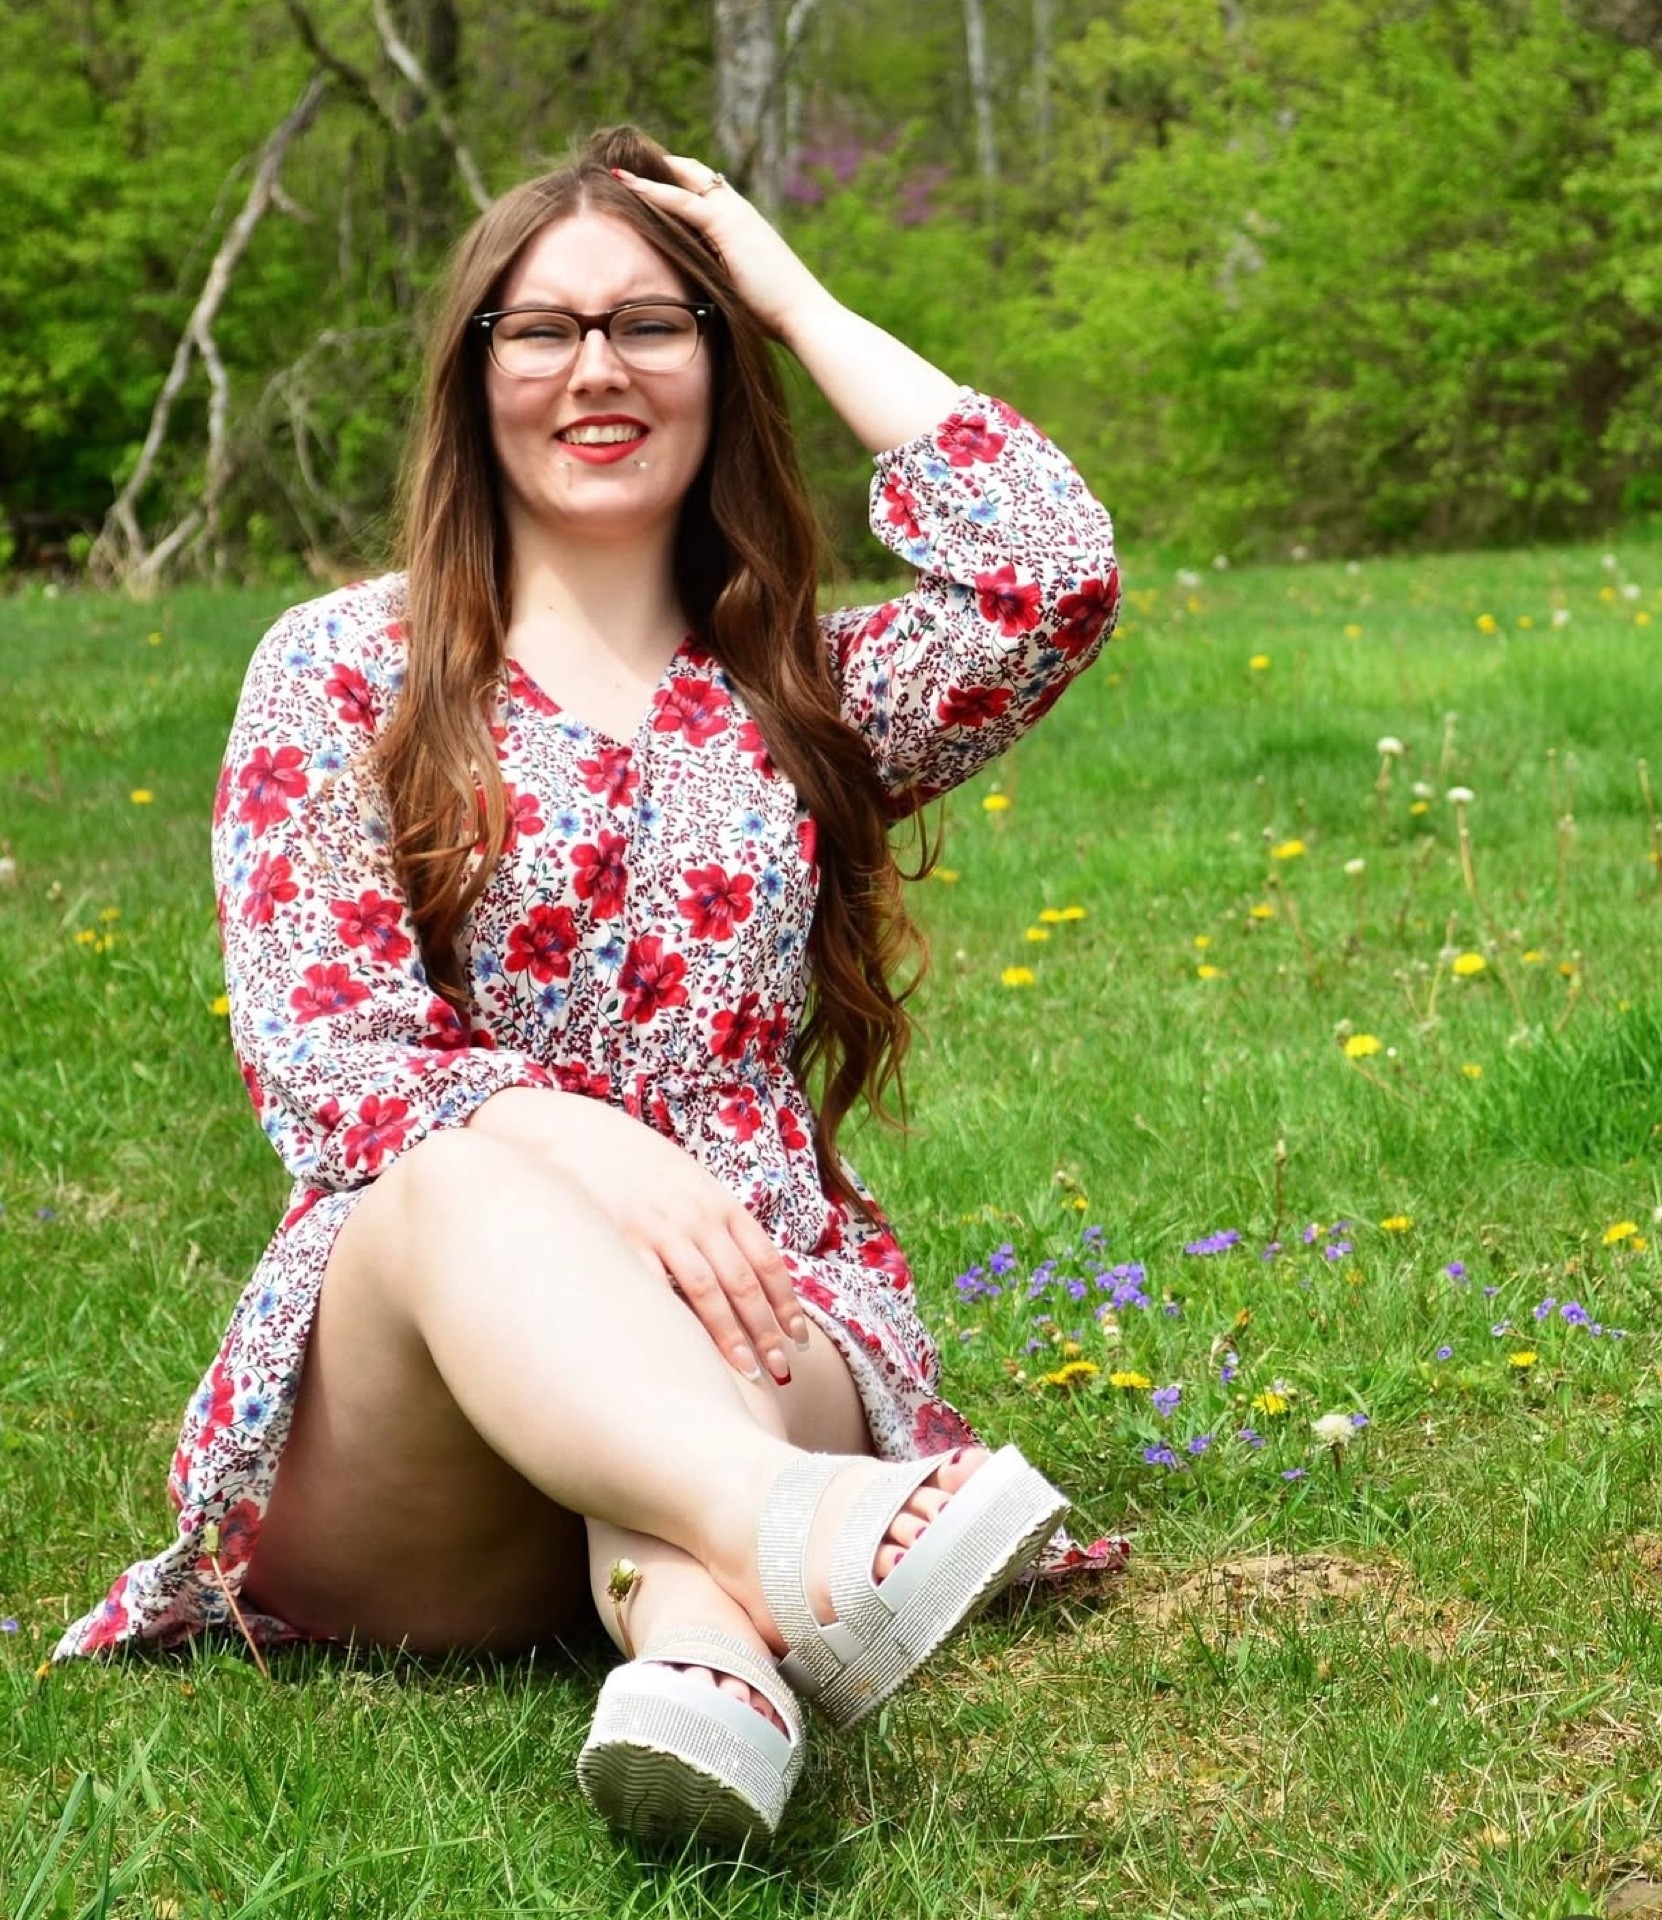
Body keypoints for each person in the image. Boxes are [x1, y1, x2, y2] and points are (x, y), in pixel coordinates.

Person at [56, 125, 1124, 1846]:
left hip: (748, 1303)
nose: (597, 368)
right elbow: (323, 1048)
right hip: (428, 1380)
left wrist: (790, 293)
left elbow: (1050, 576)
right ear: (475, 374)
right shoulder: (345, 667)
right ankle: (800, 1528)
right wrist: (583, 1139)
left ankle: (706, 1661)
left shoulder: (804, 689)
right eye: (544, 328)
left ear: (719, 360)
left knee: (703, 1323)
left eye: (652, 323)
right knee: (460, 1184)